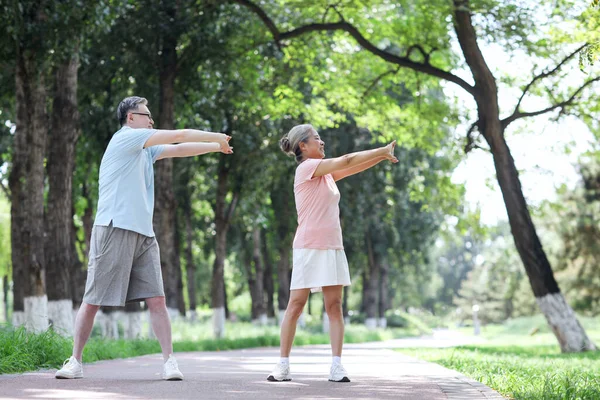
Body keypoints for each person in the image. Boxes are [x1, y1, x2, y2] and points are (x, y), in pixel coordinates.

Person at [55, 96, 233, 381]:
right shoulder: (125, 139)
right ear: (130, 118)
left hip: (144, 234)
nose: (151, 120)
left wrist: (215, 147)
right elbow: (179, 134)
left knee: (158, 300)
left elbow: (180, 148)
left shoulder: (145, 150)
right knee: (93, 300)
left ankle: (169, 362)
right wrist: (217, 135)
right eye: (146, 115)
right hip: (114, 228)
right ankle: (75, 361)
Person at [268, 124, 397, 383]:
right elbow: (347, 159)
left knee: (335, 306)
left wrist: (381, 157)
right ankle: (282, 365)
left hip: (333, 246)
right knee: (296, 306)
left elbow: (352, 167)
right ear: (303, 146)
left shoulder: (325, 174)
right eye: (317, 139)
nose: (322, 142)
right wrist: (381, 149)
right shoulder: (306, 169)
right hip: (308, 246)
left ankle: (337, 366)